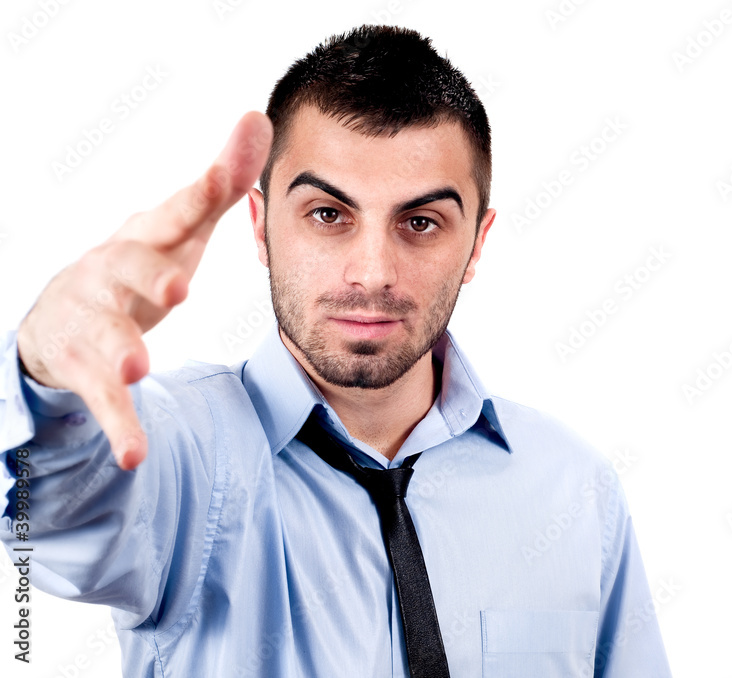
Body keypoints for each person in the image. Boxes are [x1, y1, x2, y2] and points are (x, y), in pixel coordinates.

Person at [0, 24, 671, 677]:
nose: (373, 271)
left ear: (477, 243)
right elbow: (56, 514)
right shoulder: (182, 454)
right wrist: (47, 372)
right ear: (262, 228)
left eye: (420, 222)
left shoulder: (574, 490)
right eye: (328, 215)